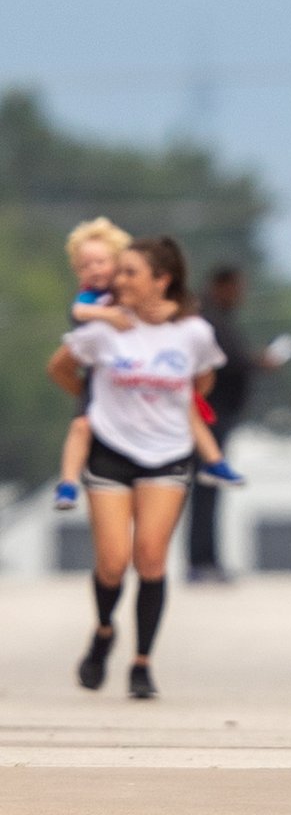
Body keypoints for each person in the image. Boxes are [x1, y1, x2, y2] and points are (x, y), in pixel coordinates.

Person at [47, 236, 228, 699]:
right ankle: (104, 630)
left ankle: (142, 663)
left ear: (161, 280)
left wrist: (170, 409)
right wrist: (91, 403)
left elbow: (202, 379)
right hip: (110, 452)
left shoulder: (193, 333)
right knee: (112, 562)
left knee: (150, 557)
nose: (118, 281)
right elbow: (61, 367)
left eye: (130, 273)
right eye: (119, 271)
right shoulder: (104, 330)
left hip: (167, 453)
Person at [53, 217, 242, 513]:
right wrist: (108, 319)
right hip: (107, 381)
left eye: (102, 262)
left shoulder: (176, 319)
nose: (95, 271)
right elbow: (75, 324)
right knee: (82, 425)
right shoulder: (96, 303)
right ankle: (67, 483)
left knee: (187, 410)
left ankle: (215, 463)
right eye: (85, 265)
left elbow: (176, 319)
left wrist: (171, 313)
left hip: (156, 403)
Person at [187, 265, 283, 582]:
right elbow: (227, 360)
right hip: (207, 417)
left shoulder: (217, 319)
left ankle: (206, 559)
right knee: (206, 487)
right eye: (237, 288)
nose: (241, 296)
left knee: (209, 489)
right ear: (222, 286)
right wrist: (259, 362)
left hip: (215, 416)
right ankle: (201, 561)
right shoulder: (209, 320)